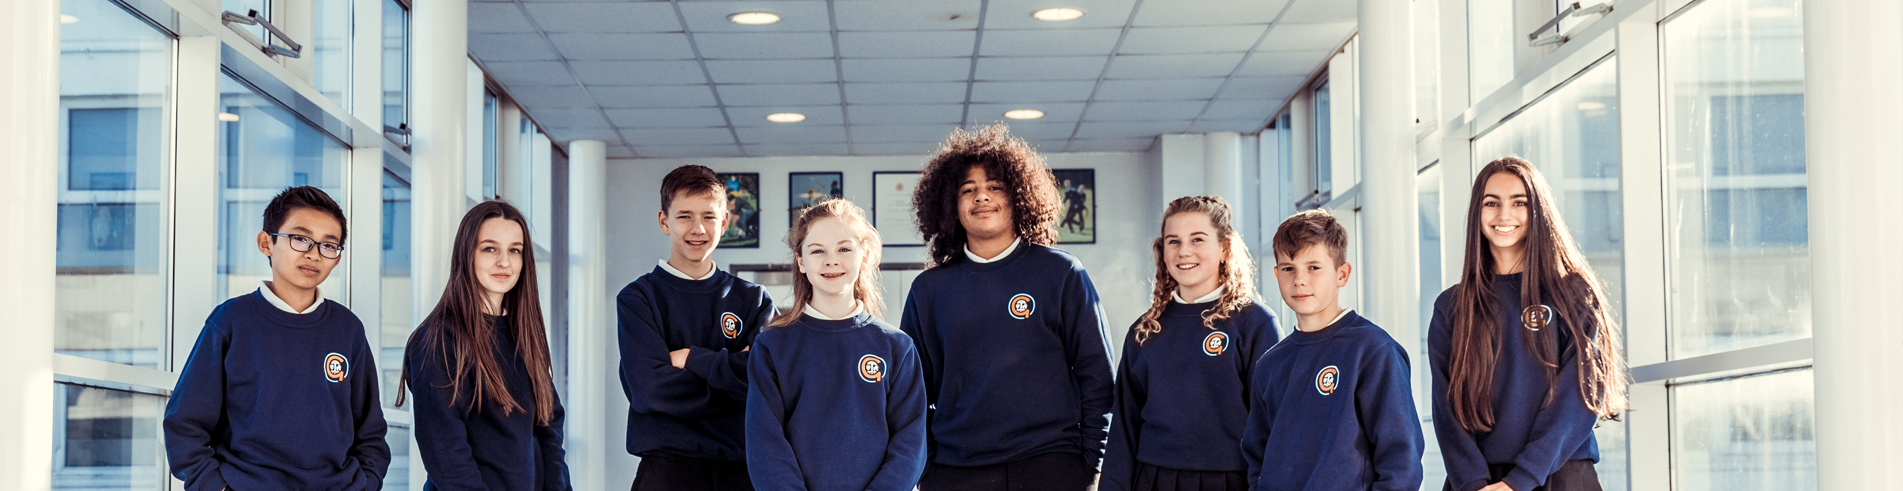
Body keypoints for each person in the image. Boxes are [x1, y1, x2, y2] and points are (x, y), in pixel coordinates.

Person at [900, 124, 1115, 491]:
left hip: (1052, 466)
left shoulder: (1061, 273)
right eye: (968, 190)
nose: (981, 197)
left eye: (994, 187)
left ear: (1019, 197)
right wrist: (927, 467)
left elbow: (1098, 377)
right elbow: (912, 392)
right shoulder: (929, 290)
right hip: (957, 471)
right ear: (951, 205)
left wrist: (1091, 464)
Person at [163, 186, 390, 491]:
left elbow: (370, 432)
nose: (313, 253)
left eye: (328, 245)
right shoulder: (230, 321)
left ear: (336, 259)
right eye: (300, 238)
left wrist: (365, 484)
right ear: (266, 242)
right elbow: (185, 424)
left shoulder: (347, 328)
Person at [1429, 157, 1628, 491]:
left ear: (1538, 212)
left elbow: (1579, 396)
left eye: (1519, 203)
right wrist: (1473, 483)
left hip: (1561, 476)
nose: (1504, 215)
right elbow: (1445, 407)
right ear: (1477, 213)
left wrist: (1520, 481)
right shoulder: (1451, 305)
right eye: (1491, 203)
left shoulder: (1571, 293)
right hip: (1477, 483)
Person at [746, 199, 928, 491]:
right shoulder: (772, 346)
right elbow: (765, 444)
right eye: (818, 251)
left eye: (844, 249)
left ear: (865, 256)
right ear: (801, 261)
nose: (831, 260)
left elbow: (910, 442)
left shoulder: (897, 347)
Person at [1101, 196, 1279, 491]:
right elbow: (1123, 429)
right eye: (1173, 241)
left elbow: (1274, 427)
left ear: (1223, 248)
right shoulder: (1144, 330)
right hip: (1154, 480)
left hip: (1232, 480)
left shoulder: (1254, 324)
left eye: (1197, 239)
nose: (1184, 251)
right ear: (1163, 251)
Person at [617, 165, 776, 491]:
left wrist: (691, 359)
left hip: (741, 472)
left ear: (725, 222)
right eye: (685, 216)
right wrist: (732, 383)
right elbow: (649, 391)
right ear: (664, 221)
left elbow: (764, 383)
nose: (698, 228)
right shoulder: (639, 299)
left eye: (708, 216)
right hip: (666, 472)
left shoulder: (753, 299)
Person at [1241, 209, 1424, 491]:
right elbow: (1257, 456)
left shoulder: (1373, 351)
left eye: (1313, 267)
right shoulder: (1270, 364)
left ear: (1342, 274)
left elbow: (1401, 463)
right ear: (1277, 274)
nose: (1299, 280)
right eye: (1289, 268)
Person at [399, 201, 570, 490]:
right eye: (490, 248)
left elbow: (549, 429)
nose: (504, 262)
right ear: (467, 255)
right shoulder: (439, 338)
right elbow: (446, 450)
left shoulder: (525, 335)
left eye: (515, 250)